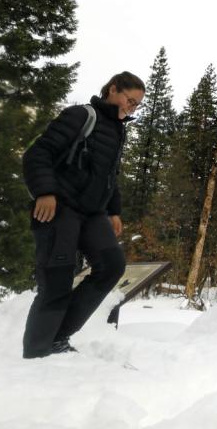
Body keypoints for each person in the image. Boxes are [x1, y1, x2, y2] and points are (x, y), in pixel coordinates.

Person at [21, 72, 145, 358]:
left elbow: (108, 175)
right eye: (130, 100)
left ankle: (58, 338)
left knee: (112, 265)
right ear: (113, 90)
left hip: (92, 214)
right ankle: (36, 354)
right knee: (57, 281)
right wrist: (45, 192)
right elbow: (37, 154)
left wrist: (114, 211)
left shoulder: (117, 129)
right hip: (59, 208)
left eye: (137, 105)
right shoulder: (80, 116)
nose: (132, 108)